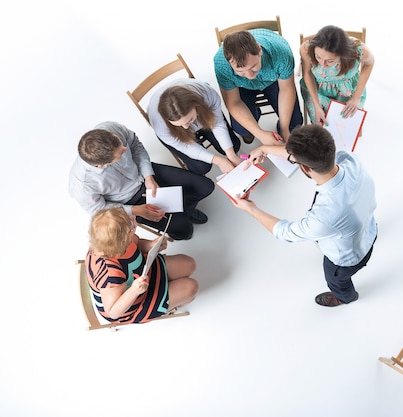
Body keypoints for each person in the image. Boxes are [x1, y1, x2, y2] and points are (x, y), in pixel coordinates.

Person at [233, 124, 377, 307]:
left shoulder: (324, 217)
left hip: (346, 260)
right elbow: (308, 155)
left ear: (306, 169)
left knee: (336, 281)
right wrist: (264, 149)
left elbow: (285, 232)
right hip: (370, 230)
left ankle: (345, 297)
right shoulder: (351, 160)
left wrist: (251, 209)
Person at [69, 121, 214, 240]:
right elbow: (98, 210)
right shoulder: (82, 184)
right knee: (184, 230)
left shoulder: (110, 128)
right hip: (130, 201)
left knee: (205, 186)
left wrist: (148, 177)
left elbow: (135, 146)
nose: (125, 149)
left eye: (121, 143)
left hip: (145, 174)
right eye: (120, 154)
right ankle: (182, 215)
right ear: (101, 165)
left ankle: (185, 209)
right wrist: (136, 210)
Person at [85, 207, 199, 324]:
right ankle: (170, 305)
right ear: (123, 240)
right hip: (132, 302)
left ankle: (169, 292)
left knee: (190, 264)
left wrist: (151, 245)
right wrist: (134, 290)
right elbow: (113, 312)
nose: (133, 219)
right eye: (130, 224)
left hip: (142, 270)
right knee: (191, 288)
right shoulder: (110, 275)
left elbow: (137, 244)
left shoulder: (108, 240)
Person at [214, 29, 303, 145]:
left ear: (259, 50)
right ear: (228, 63)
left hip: (273, 80)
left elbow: (286, 89)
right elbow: (233, 102)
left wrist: (284, 129)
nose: (249, 75)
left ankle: (281, 129)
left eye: (253, 67)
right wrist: (260, 134)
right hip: (242, 85)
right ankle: (255, 114)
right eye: (241, 71)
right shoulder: (221, 65)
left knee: (295, 124)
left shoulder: (282, 54)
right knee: (241, 128)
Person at [148, 78, 243, 176]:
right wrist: (218, 161)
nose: (185, 127)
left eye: (189, 120)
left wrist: (231, 155)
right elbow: (185, 147)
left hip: (203, 115)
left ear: (197, 105)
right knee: (201, 167)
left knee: (233, 146)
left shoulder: (208, 94)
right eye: (179, 124)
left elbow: (218, 124)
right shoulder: (160, 125)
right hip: (176, 133)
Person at [299, 25, 375, 125]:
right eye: (318, 57)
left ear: (343, 55)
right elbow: (307, 73)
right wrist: (316, 105)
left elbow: (370, 63)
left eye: (330, 61)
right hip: (317, 89)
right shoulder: (306, 49)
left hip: (348, 90)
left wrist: (356, 97)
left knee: (345, 121)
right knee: (321, 123)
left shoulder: (359, 51)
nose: (323, 64)